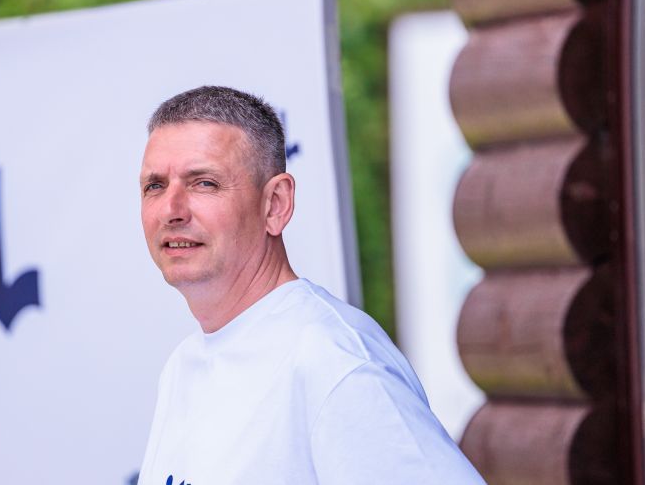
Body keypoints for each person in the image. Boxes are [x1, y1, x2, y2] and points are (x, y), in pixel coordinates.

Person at [136, 86, 486, 485]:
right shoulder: (183, 366)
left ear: (275, 204)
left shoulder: (333, 360)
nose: (171, 210)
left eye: (204, 183)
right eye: (155, 186)